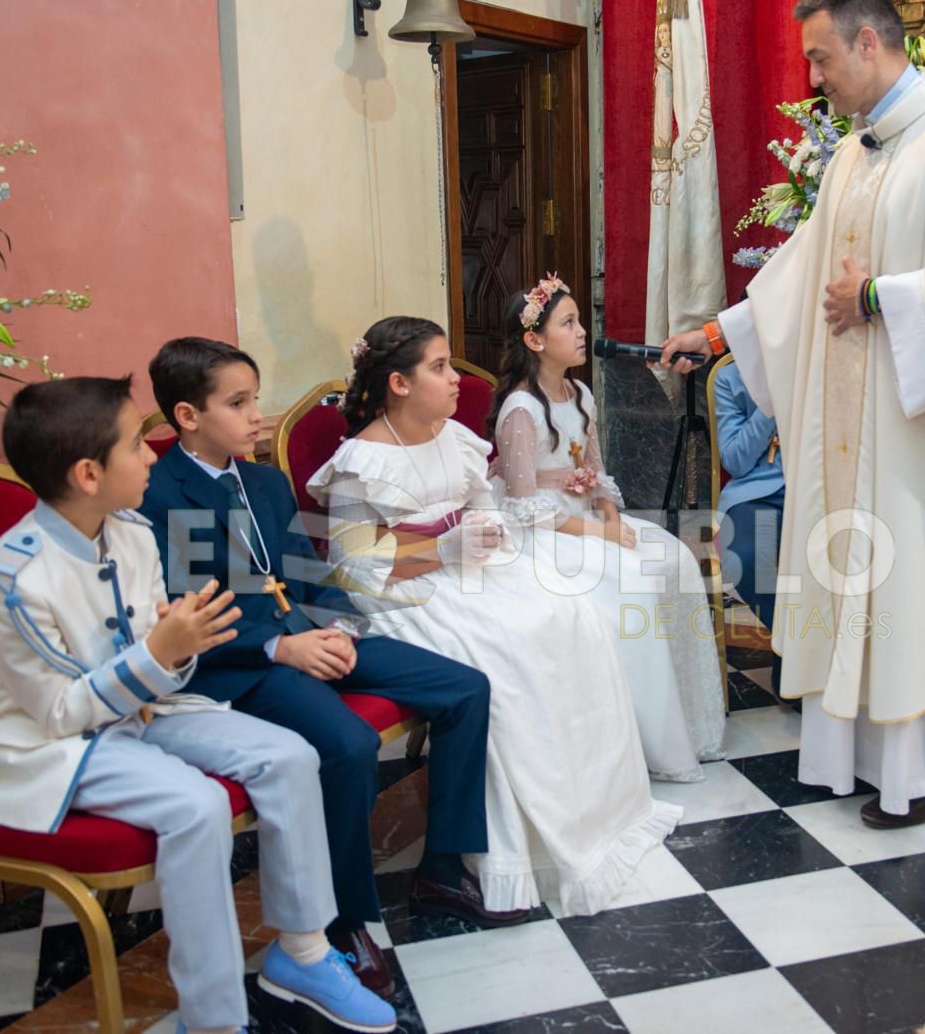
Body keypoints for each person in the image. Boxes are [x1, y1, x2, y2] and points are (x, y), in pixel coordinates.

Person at [659, 0, 925, 829]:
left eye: (821, 58)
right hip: (847, 424)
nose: (814, 79)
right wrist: (719, 332)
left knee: (912, 585)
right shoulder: (853, 152)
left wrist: (880, 297)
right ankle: (852, 759)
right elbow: (803, 269)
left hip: (920, 429)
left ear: (870, 43)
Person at [0, 376, 394, 1034]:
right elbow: (59, 713)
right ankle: (214, 1017)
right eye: (135, 444)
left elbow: (162, 658)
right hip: (58, 748)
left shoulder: (131, 533)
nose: (151, 455)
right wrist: (159, 653)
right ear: (87, 473)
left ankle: (304, 952)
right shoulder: (13, 579)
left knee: (290, 757)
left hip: (146, 712)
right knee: (196, 807)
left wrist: (181, 644)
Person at [139, 337, 517, 999]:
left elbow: (306, 572)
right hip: (242, 663)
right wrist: (278, 648)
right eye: (238, 403)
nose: (256, 416)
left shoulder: (262, 481)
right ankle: (345, 922)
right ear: (188, 416)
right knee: (347, 743)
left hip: (308, 634)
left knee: (464, 687)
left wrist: (337, 627)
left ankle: (441, 868)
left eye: (255, 399)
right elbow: (185, 616)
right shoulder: (160, 496)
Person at [308, 316, 682, 915]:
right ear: (399, 384)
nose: (457, 378)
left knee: (573, 614)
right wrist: (441, 550)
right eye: (439, 367)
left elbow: (485, 506)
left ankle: (599, 811)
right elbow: (353, 567)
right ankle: (516, 849)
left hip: (471, 568)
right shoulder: (362, 461)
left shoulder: (452, 437)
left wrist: (485, 530)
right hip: (404, 591)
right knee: (514, 646)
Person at [490, 276, 725, 778]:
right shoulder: (521, 409)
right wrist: (602, 535)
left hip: (588, 517)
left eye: (579, 321)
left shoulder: (580, 394)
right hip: (544, 531)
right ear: (534, 340)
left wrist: (612, 519)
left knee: (675, 559)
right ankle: (632, 736)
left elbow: (597, 472)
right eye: (568, 323)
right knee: (630, 581)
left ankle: (687, 723)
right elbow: (521, 506)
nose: (582, 332)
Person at [711, 354, 787, 646]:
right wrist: (770, 402)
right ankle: (790, 643)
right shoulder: (731, 377)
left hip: (818, 487)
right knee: (743, 558)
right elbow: (735, 461)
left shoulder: (822, 363)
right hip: (757, 493)